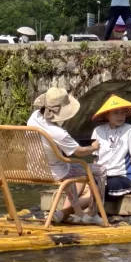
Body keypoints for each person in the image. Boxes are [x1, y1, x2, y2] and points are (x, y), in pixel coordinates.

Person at [27, 87, 107, 224]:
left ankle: (78, 212)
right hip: (54, 172)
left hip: (33, 168)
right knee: (101, 170)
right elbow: (80, 152)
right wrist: (94, 147)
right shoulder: (59, 133)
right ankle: (93, 213)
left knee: (68, 166)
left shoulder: (34, 117)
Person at [90, 94, 131, 204]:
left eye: (123, 113)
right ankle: (70, 211)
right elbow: (96, 159)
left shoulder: (130, 130)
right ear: (107, 115)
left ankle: (71, 211)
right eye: (116, 113)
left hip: (123, 177)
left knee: (101, 186)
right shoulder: (98, 131)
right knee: (82, 182)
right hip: (102, 176)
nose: (120, 116)